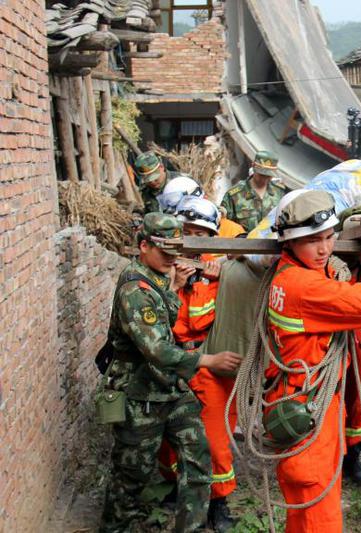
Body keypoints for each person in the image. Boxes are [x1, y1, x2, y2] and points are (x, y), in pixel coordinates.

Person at [100, 212, 242, 533]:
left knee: (198, 458)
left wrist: (175, 285)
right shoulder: (135, 289)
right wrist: (208, 361)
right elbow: (158, 349)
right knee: (132, 474)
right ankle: (117, 526)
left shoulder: (159, 278)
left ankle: (189, 525)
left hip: (170, 388)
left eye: (174, 253)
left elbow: (167, 317)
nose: (171, 260)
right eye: (164, 253)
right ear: (144, 245)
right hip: (139, 394)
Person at [265, 189, 361, 532]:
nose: (324, 249)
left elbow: (330, 290)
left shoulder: (286, 272)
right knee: (319, 514)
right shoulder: (303, 286)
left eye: (328, 237)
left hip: (302, 404)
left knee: (303, 513)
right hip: (309, 413)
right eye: (312, 241)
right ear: (289, 242)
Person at [156, 197, 238, 531]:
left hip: (208, 366)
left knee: (215, 440)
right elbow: (160, 324)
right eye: (187, 231)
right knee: (169, 438)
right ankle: (181, 488)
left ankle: (219, 503)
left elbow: (205, 320)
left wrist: (207, 281)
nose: (192, 239)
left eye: (201, 233)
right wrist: (174, 284)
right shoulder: (158, 272)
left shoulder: (222, 274)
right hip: (171, 364)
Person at [221, 150, 284, 232]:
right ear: (253, 166)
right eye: (261, 175)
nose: (264, 179)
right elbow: (225, 225)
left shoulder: (279, 193)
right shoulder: (234, 195)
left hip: (272, 243)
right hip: (243, 243)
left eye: (268, 176)